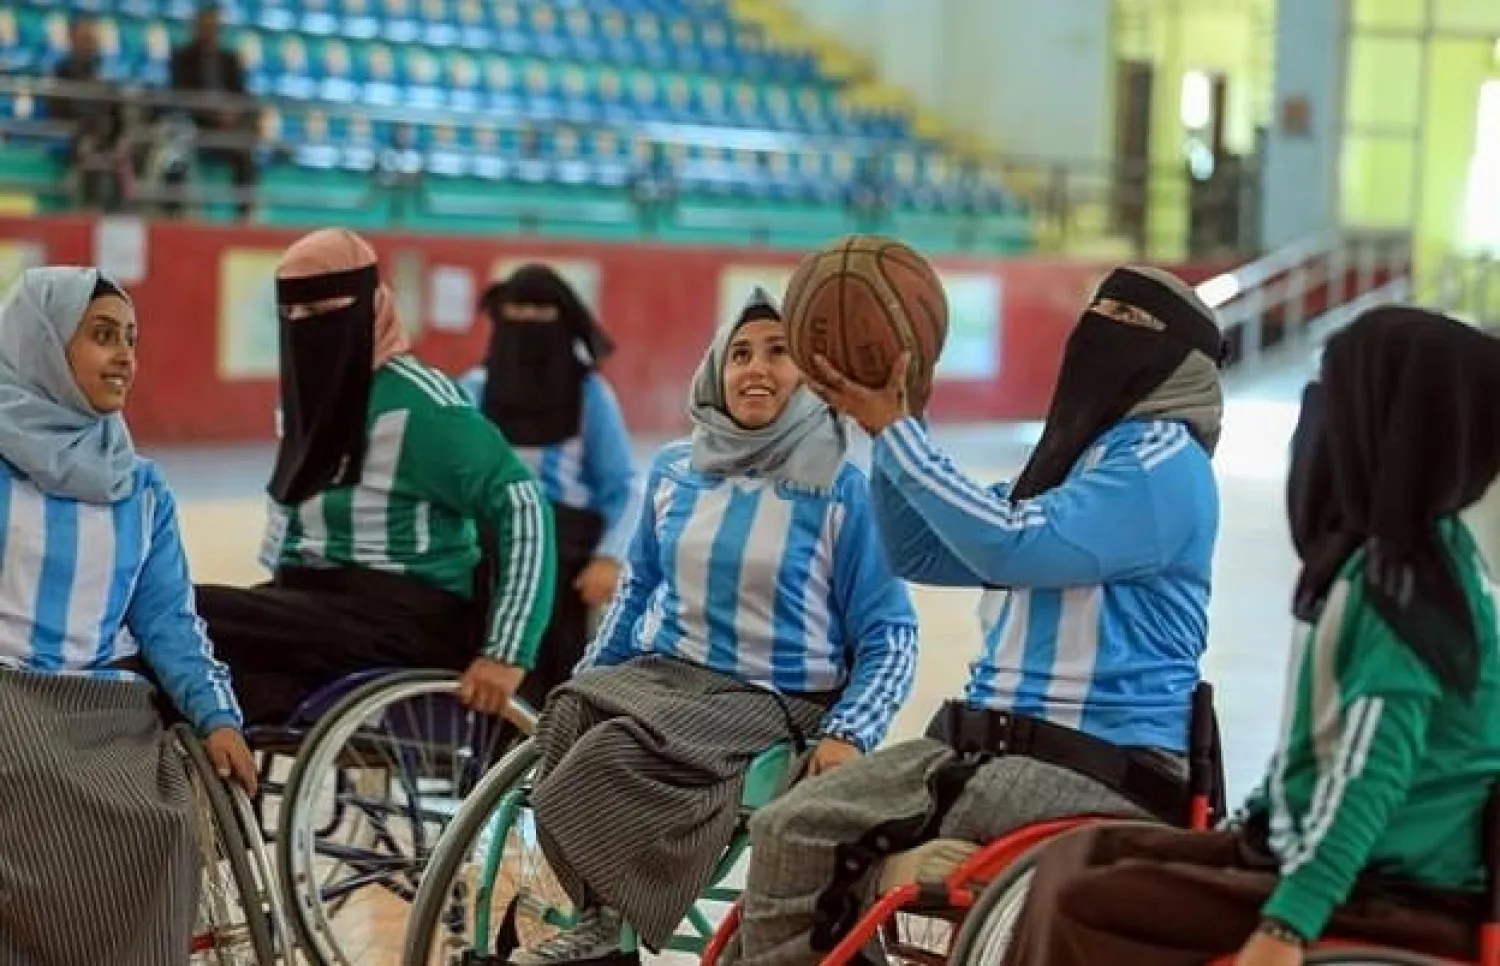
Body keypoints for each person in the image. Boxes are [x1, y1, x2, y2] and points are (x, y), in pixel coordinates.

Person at [720, 265, 1227, 965]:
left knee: (806, 833)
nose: (1101, 323)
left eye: (1129, 318)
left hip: (1097, 765)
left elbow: (1011, 545)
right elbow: (923, 550)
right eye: (1098, 305)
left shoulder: (1161, 463)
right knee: (787, 825)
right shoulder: (1080, 464)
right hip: (1006, 749)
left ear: (1181, 362)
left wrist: (898, 433)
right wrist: (904, 423)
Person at [998, 306, 1500, 966]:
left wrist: (1288, 926)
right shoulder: (1404, 559)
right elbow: (1321, 751)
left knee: (1087, 908)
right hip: (1327, 855)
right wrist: (1259, 820)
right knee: (1075, 857)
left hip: (1387, 887)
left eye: (1333, 394)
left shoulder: (1404, 592)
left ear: (1388, 424)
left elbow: (1366, 776)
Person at [509, 290, 921, 966]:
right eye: (739, 354)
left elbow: (891, 633)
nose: (755, 369)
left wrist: (849, 733)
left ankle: (616, 920)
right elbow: (638, 587)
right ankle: (602, 926)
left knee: (611, 753)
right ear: (715, 372)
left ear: (812, 375)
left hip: (772, 696)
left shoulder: (843, 487)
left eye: (778, 353)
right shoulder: (677, 470)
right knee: (567, 712)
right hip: (667, 676)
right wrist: (593, 670)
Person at [0, 266, 256, 966]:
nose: (124, 357)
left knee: (167, 818)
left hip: (102, 706)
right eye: (103, 336)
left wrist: (218, 716)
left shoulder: (141, 489)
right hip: (6, 697)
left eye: (132, 341)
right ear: (43, 345)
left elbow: (170, 620)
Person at [196, 229, 556, 726]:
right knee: (181, 654)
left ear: (371, 305)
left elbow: (522, 502)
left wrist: (508, 651)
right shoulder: (306, 404)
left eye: (324, 314)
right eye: (293, 316)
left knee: (187, 614)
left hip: (401, 617)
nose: (306, 328)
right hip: (311, 606)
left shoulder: (423, 406)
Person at [459, 264, 640, 722]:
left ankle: (539, 737)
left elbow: (622, 488)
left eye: (540, 314)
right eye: (516, 314)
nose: (526, 329)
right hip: (489, 535)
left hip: (567, 543)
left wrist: (610, 558)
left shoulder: (590, 395)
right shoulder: (472, 391)